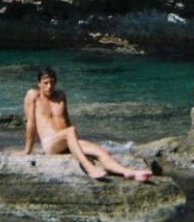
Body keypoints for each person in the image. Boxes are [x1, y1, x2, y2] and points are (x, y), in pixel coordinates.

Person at [19, 67, 152, 182]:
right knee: (71, 131)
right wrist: (27, 150)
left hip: (67, 140)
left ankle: (129, 172)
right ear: (39, 83)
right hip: (51, 144)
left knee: (99, 151)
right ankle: (90, 168)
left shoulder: (61, 96)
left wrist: (78, 143)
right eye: (45, 83)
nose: (49, 86)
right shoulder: (33, 95)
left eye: (52, 82)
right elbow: (30, 123)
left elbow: (66, 121)